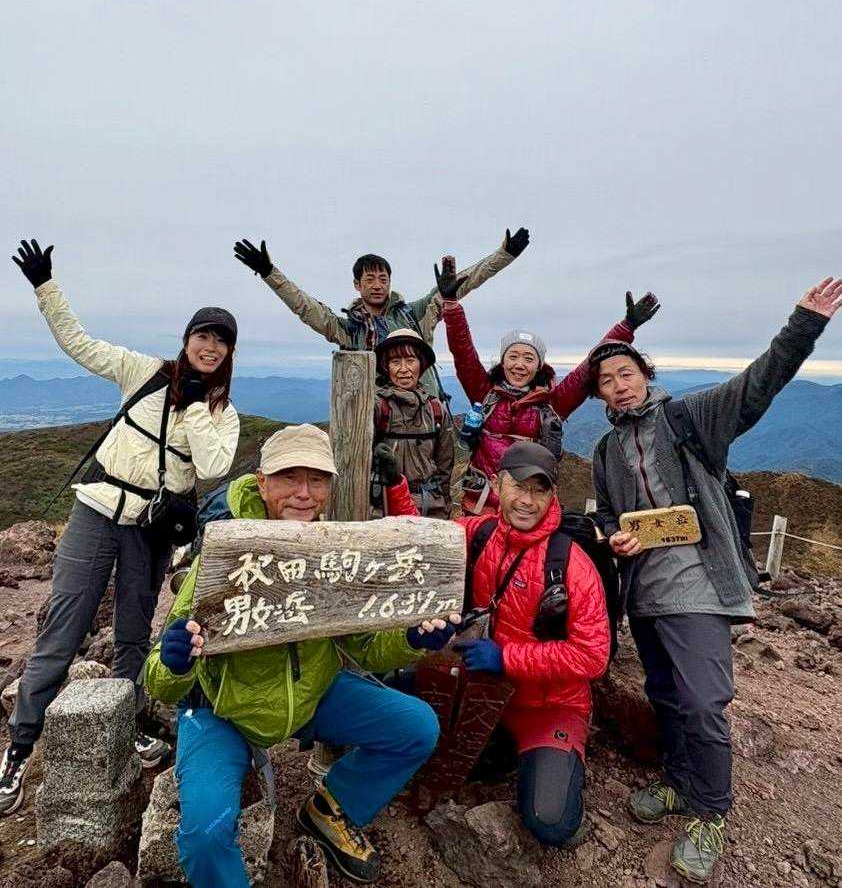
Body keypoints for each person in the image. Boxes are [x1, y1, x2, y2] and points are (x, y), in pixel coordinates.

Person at [589, 277, 842, 885]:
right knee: (665, 695)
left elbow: (759, 383)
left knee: (703, 700)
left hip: (699, 584)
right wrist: (612, 535)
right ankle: (680, 783)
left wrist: (804, 323)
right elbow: (607, 513)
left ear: (645, 375)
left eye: (627, 373)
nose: (619, 384)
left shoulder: (689, 417)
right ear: (598, 394)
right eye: (607, 380)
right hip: (643, 593)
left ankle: (709, 813)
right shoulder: (603, 450)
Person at [144, 424, 460, 887]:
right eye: (289, 477)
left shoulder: (332, 552)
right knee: (205, 837)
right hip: (224, 710)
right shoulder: (227, 553)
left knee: (415, 727)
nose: (304, 493)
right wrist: (177, 662)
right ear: (261, 483)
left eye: (317, 479)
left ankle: (331, 809)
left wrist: (412, 640)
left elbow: (366, 648)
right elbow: (158, 679)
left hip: (312, 692)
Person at [0, 239, 240, 817]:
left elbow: (213, 467)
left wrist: (196, 406)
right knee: (63, 629)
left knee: (133, 631)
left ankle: (124, 723)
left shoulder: (222, 412)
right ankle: (19, 747)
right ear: (187, 339)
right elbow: (79, 344)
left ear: (229, 353)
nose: (209, 346)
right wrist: (45, 287)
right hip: (97, 509)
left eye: (220, 341)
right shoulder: (142, 371)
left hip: (150, 528)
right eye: (202, 336)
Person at [380, 440, 610, 848]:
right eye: (518, 486)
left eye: (539, 490)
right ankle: (498, 751)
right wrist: (396, 485)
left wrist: (507, 657)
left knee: (551, 822)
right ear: (497, 484)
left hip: (548, 705)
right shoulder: (481, 532)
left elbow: (593, 656)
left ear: (552, 496)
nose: (527, 501)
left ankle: (530, 756)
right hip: (480, 688)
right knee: (385, 692)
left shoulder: (571, 565)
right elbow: (424, 542)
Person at [435, 258, 659, 511]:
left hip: (531, 509)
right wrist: (451, 304)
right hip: (482, 506)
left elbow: (587, 369)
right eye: (513, 356)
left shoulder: (552, 403)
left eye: (529, 358)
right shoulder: (484, 392)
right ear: (503, 361)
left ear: (539, 366)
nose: (520, 364)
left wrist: (627, 327)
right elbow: (463, 352)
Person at [233, 229, 530, 395]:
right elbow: (305, 307)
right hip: (374, 415)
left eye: (383, 279)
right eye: (370, 279)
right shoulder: (349, 328)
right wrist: (269, 273)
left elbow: (463, 282)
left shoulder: (414, 315)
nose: (377, 285)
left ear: (390, 282)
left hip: (423, 409)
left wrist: (504, 254)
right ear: (357, 284)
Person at [371, 328, 454, 519]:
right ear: (386, 367)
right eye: (395, 362)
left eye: (410, 360)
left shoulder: (436, 409)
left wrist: (445, 509)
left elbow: (445, 467)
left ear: (421, 365)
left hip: (431, 508)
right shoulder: (377, 407)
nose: (403, 369)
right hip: (385, 507)